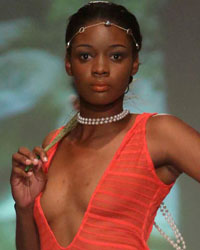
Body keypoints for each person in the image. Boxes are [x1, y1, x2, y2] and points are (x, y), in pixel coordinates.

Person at [10, 1, 200, 250]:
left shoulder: (159, 134)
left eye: (116, 56)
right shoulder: (52, 146)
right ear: (69, 63)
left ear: (134, 64)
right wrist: (24, 209)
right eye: (85, 56)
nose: (100, 69)